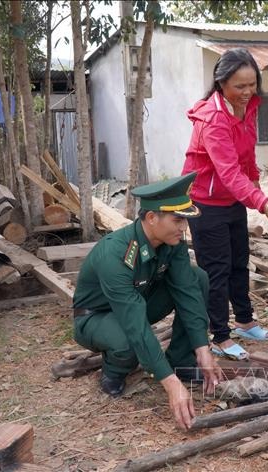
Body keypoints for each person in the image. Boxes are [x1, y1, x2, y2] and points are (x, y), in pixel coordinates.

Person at [72, 173, 223, 431]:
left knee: (197, 279)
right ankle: (113, 372)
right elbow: (135, 323)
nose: (183, 227)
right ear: (152, 218)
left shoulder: (170, 241)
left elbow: (187, 291)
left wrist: (202, 348)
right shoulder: (117, 253)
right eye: (177, 220)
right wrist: (170, 384)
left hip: (137, 304)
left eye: (185, 220)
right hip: (95, 317)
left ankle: (182, 359)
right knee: (127, 339)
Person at [182, 48, 268, 361]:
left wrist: (254, 180)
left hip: (231, 198)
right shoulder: (214, 118)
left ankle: (244, 320)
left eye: (252, 84)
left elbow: (245, 155)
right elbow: (227, 171)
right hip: (205, 200)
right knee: (216, 269)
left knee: (239, 261)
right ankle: (220, 336)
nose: (247, 92)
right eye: (239, 86)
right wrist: (262, 202)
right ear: (221, 83)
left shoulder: (249, 106)